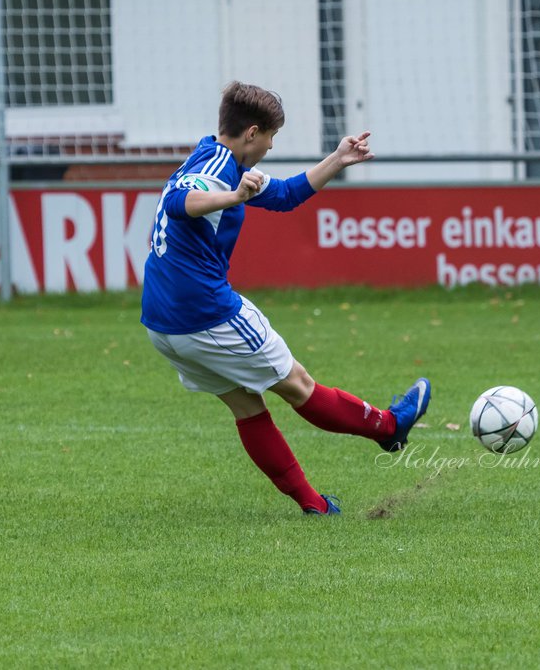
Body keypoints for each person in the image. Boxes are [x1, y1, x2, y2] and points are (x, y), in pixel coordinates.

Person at [141, 81, 431, 516]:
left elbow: (285, 195)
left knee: (246, 405)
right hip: (205, 313)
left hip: (163, 323)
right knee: (298, 386)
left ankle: (314, 505)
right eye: (272, 137)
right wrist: (234, 196)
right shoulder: (221, 169)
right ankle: (389, 427)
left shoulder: (212, 153)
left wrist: (338, 158)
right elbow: (184, 201)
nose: (271, 147)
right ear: (252, 132)